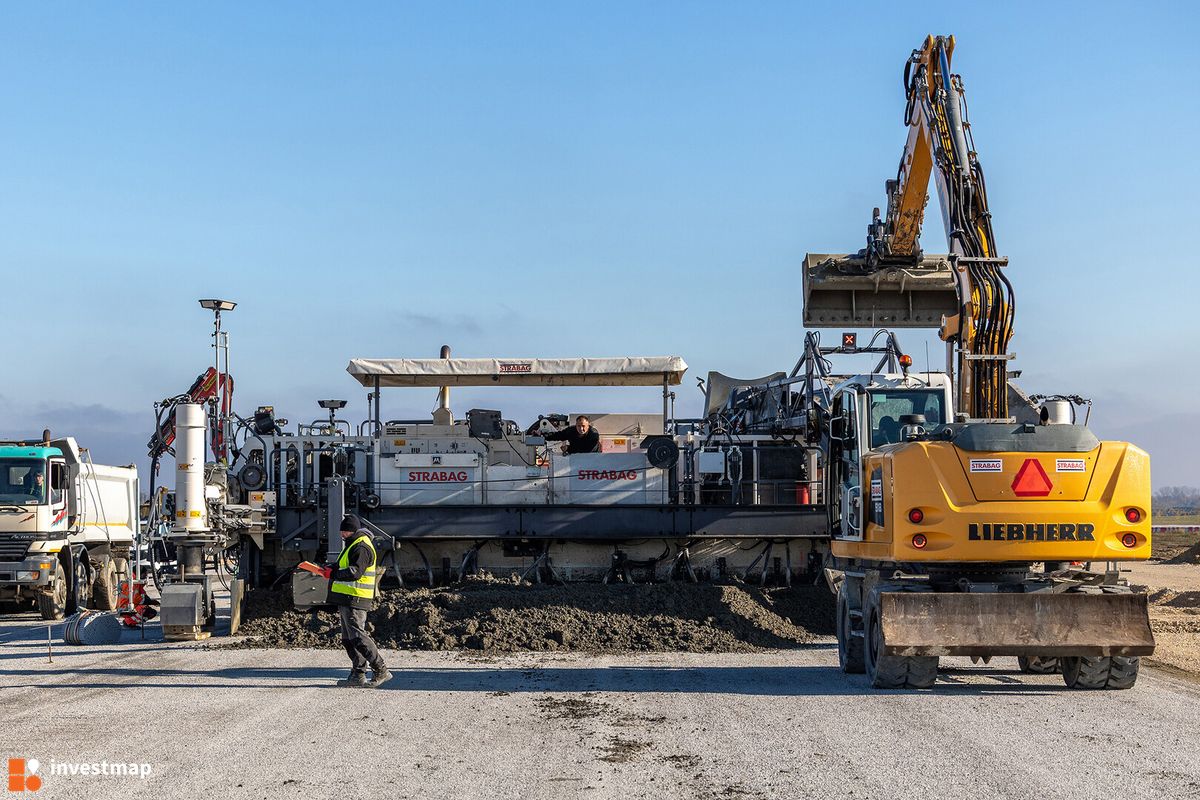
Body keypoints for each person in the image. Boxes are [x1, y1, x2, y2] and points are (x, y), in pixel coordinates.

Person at [327, 515, 391, 688]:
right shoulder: (352, 544)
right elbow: (343, 566)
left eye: (344, 530)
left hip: (356, 597)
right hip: (347, 598)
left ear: (352, 530)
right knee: (349, 638)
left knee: (358, 636)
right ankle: (358, 674)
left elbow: (355, 572)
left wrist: (332, 574)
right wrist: (329, 569)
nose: (341, 534)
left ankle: (380, 669)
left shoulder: (361, 546)